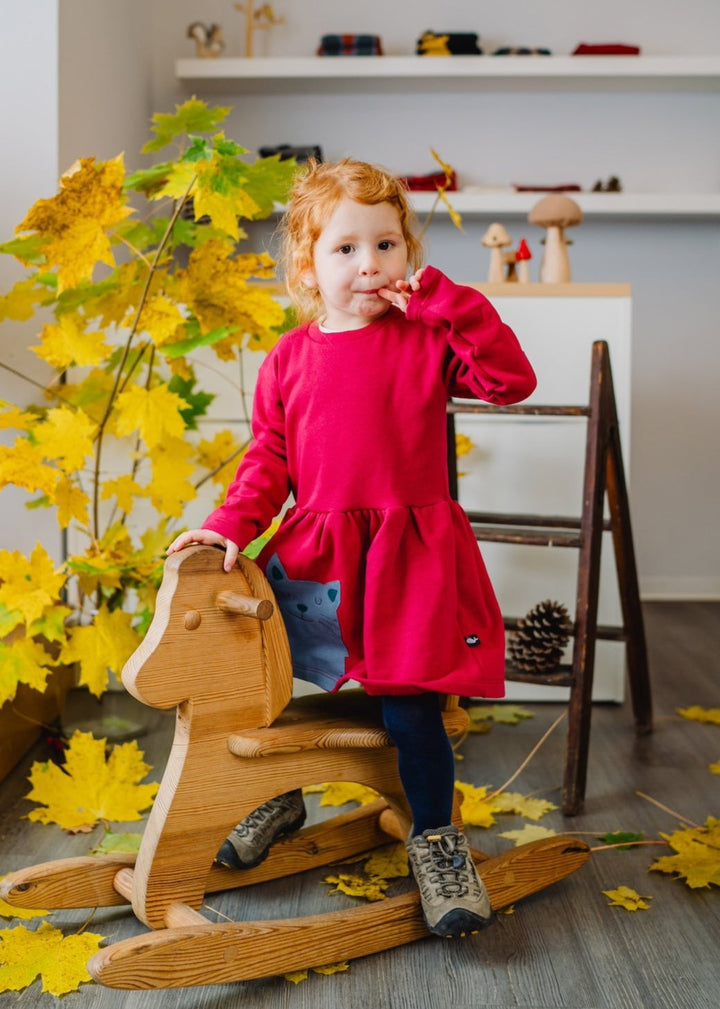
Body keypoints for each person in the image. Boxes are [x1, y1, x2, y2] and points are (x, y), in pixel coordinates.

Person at [167, 158, 537, 938]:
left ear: (409, 255)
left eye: (387, 245)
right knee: (262, 686)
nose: (369, 263)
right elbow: (268, 461)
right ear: (308, 264)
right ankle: (279, 791)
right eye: (345, 249)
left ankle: (436, 836)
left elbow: (511, 379)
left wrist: (448, 304)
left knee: (410, 708)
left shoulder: (427, 337)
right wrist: (230, 527)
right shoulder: (289, 360)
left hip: (411, 558)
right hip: (319, 555)